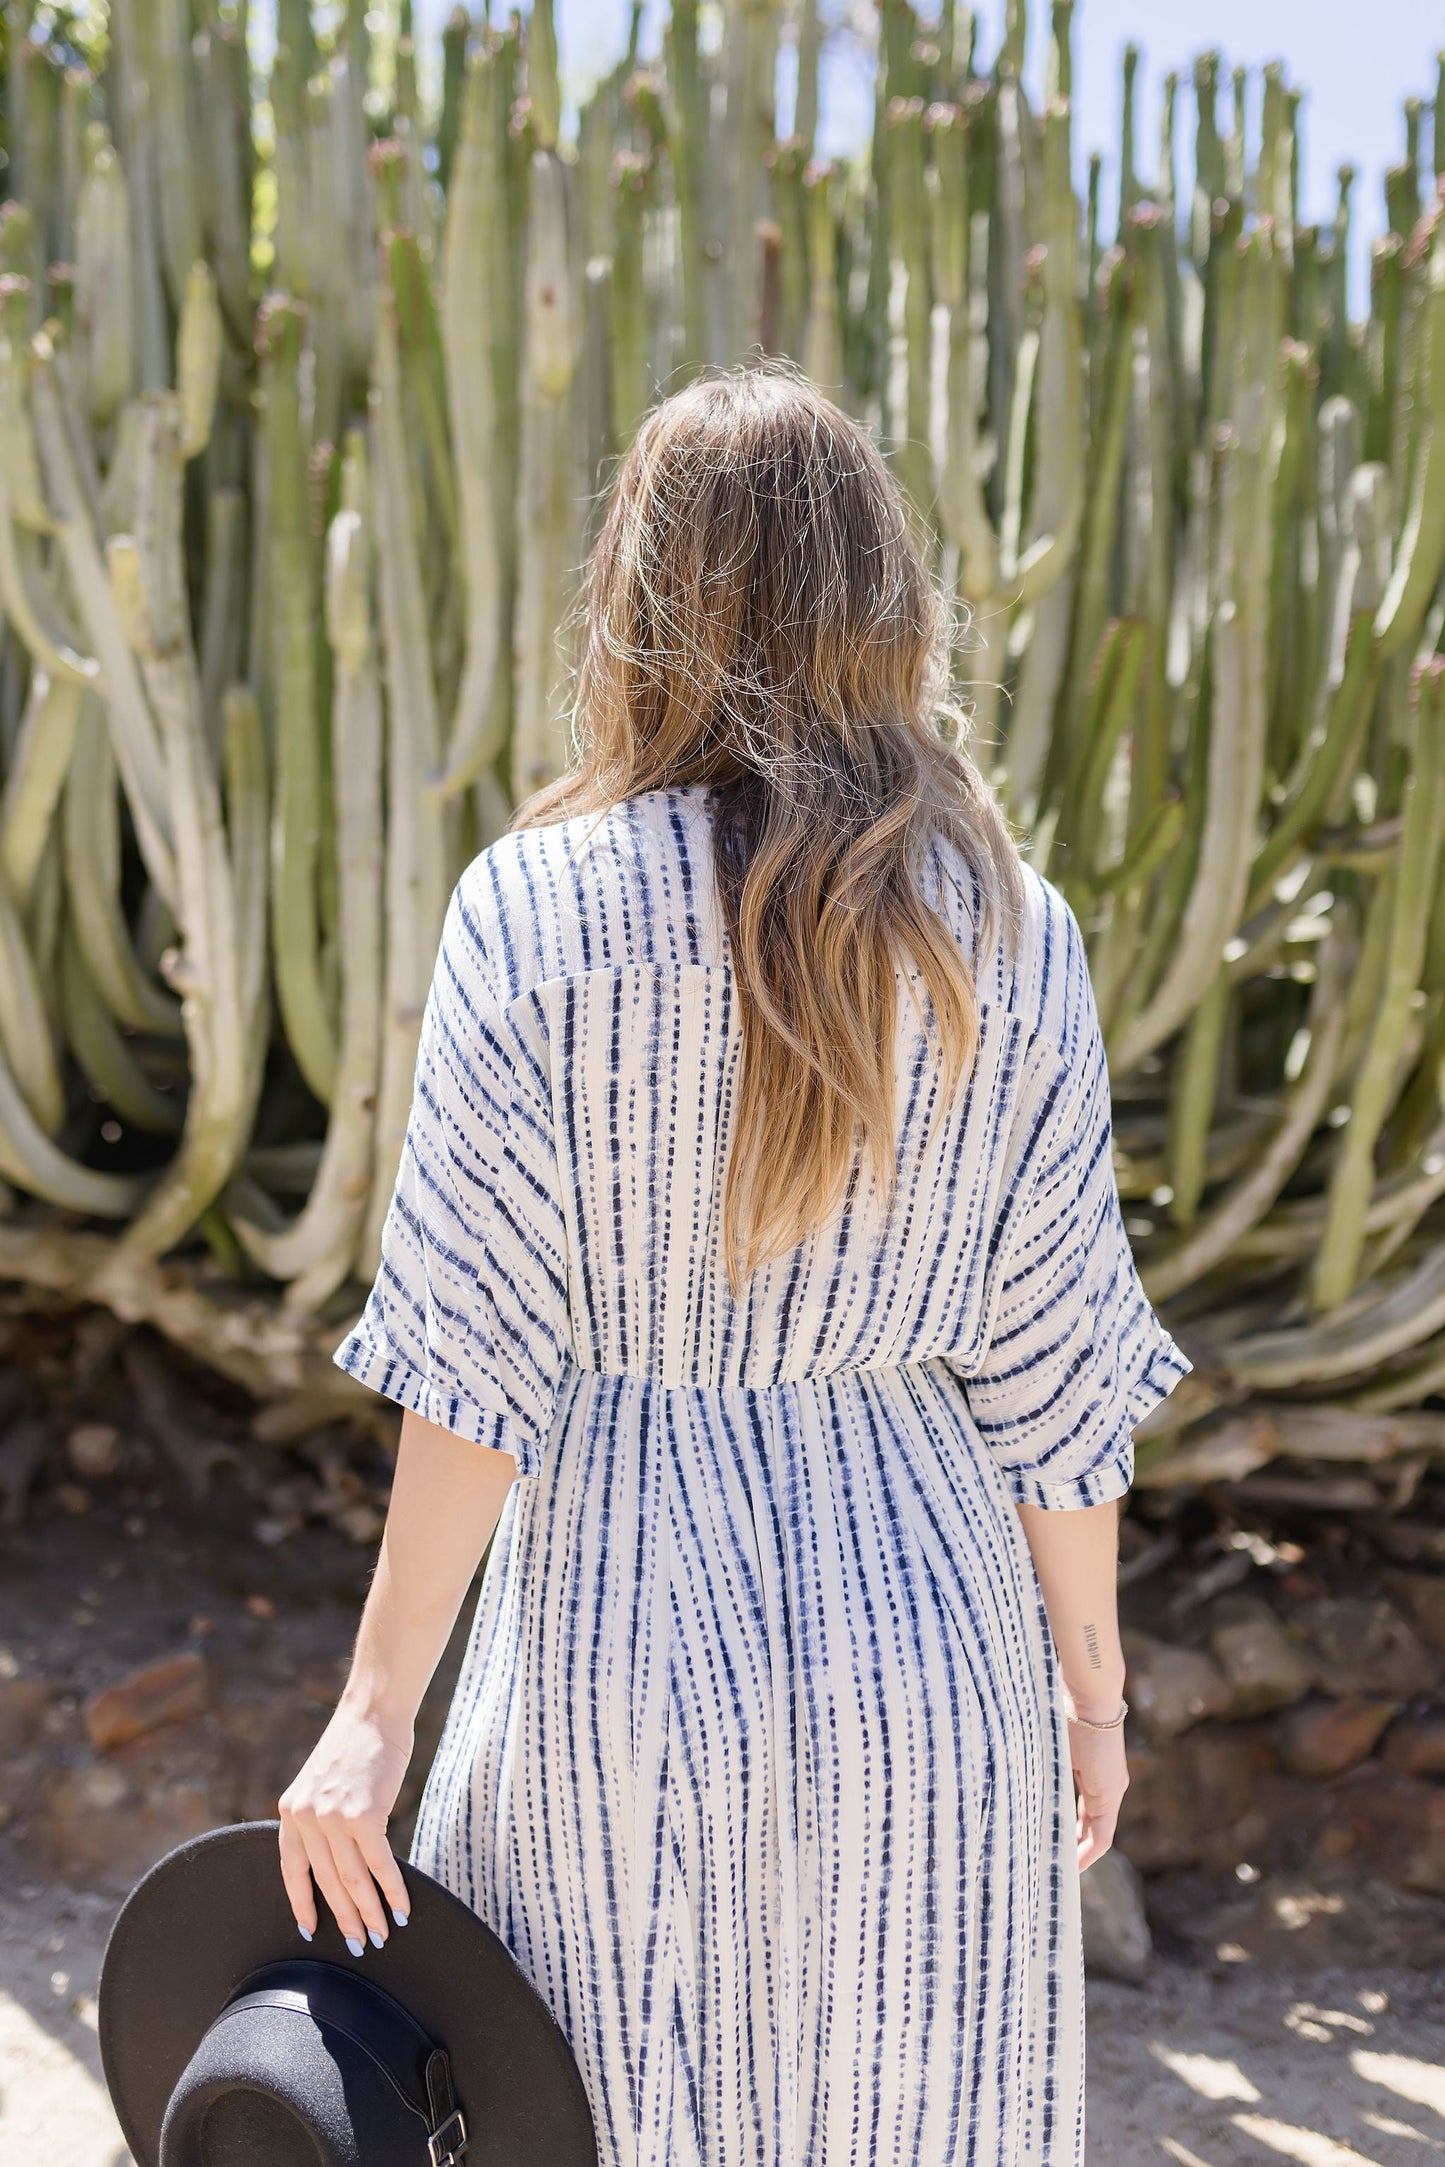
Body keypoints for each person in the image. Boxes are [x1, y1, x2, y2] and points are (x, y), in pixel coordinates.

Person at [278, 363, 1191, 2166]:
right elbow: (1057, 1377)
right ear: (893, 604)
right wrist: (1089, 1694)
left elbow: (475, 1364)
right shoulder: (1011, 932)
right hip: (932, 1656)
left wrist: (372, 1720)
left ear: (636, 600)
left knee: (588, 2121)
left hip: (608, 1648)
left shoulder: (530, 912)